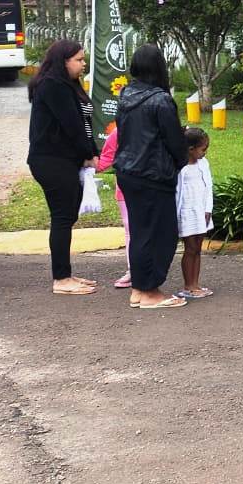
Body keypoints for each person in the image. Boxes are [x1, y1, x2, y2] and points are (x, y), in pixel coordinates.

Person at [114, 44, 188, 310]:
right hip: (153, 175)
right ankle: (150, 292)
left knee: (140, 232)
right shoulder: (160, 100)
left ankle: (139, 288)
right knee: (161, 234)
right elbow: (174, 141)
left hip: (128, 172)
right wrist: (179, 161)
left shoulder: (125, 94)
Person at [27, 40, 101, 297]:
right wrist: (88, 155)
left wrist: (92, 152)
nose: (83, 64)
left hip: (67, 160)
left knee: (68, 215)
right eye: (78, 59)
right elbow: (72, 125)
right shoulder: (52, 85)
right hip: (51, 160)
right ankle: (61, 278)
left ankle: (66, 273)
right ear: (63, 61)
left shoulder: (68, 84)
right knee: (62, 217)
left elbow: (85, 124)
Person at [176, 126, 214, 300]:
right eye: (203, 149)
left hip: (201, 211)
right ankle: (188, 285)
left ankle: (195, 284)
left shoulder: (203, 164)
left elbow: (209, 187)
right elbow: (177, 193)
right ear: (191, 149)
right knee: (190, 248)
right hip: (186, 212)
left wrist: (208, 209)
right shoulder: (180, 167)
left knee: (198, 249)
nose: (205, 153)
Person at [96, 127, 130, 289]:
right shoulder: (119, 132)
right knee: (130, 229)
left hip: (152, 187)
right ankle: (133, 270)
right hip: (125, 188)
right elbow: (105, 160)